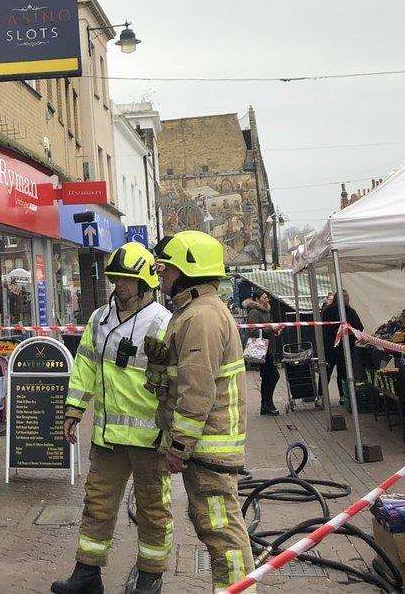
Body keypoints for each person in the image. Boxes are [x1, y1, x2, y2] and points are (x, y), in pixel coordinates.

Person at [51, 242, 172, 594]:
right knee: (97, 505)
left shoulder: (163, 324)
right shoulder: (99, 319)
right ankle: (87, 574)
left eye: (128, 280)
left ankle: (150, 577)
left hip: (149, 440)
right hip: (107, 439)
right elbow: (85, 364)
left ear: (146, 282)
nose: (121, 286)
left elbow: (175, 382)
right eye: (117, 279)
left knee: (153, 510)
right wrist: (74, 410)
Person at [146, 231, 255, 594]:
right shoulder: (198, 311)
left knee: (221, 532)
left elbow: (196, 389)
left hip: (207, 447)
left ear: (188, 270)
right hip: (208, 446)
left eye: (167, 268)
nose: (161, 275)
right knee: (215, 527)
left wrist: (179, 446)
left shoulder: (200, 318)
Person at [242, 290, 281, 416]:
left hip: (268, 348)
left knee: (269, 377)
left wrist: (275, 331)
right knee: (273, 376)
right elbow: (253, 331)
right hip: (262, 350)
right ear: (258, 299)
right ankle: (266, 404)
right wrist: (270, 328)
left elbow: (266, 328)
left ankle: (267, 404)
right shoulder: (254, 312)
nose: (267, 299)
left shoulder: (267, 312)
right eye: (264, 297)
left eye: (267, 297)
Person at [321, 290, 363, 405]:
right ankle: (342, 395)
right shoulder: (349, 310)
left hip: (331, 347)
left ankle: (322, 396)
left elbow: (324, 329)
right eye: (345, 297)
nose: (347, 298)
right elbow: (359, 328)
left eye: (347, 296)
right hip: (343, 347)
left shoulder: (328, 311)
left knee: (327, 372)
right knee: (341, 372)